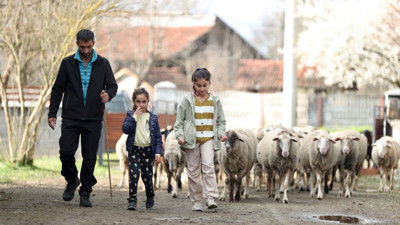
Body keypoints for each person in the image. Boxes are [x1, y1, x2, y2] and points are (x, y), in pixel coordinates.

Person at [48, 29, 118, 207]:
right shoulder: (67, 63)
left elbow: (112, 85)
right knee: (65, 152)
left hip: (94, 118)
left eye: (88, 46)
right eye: (82, 47)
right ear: (77, 44)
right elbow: (57, 90)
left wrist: (108, 95)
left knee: (89, 157)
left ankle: (86, 191)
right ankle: (72, 179)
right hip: (71, 116)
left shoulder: (103, 63)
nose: (86, 50)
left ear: (93, 43)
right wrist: (52, 114)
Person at [173, 68, 227, 211]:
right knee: (193, 170)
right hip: (192, 140)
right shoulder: (186, 101)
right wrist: (180, 136)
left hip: (208, 138)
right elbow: (179, 122)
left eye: (205, 85)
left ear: (209, 83)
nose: (202, 88)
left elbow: (221, 121)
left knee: (209, 166)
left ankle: (210, 197)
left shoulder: (215, 100)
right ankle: (196, 200)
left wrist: (221, 133)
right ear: (193, 84)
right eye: (199, 85)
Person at [122, 87, 163, 210]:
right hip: (134, 150)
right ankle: (132, 200)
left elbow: (158, 138)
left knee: (147, 177)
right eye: (138, 102)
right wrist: (134, 117)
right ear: (134, 102)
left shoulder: (153, 118)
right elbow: (125, 129)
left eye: (143, 102)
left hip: (147, 151)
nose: (141, 104)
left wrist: (158, 152)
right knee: (133, 175)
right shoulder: (130, 115)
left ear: (148, 102)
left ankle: (150, 194)